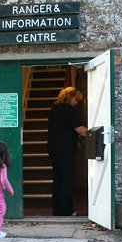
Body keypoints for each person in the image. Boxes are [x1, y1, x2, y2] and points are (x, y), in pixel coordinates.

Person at [47, 86, 87, 216]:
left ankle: (57, 210)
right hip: (65, 150)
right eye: (76, 99)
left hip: (53, 149)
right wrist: (92, 132)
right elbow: (79, 128)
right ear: (70, 97)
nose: (76, 103)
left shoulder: (54, 109)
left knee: (57, 179)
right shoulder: (68, 109)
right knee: (67, 180)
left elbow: (62, 128)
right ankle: (66, 210)